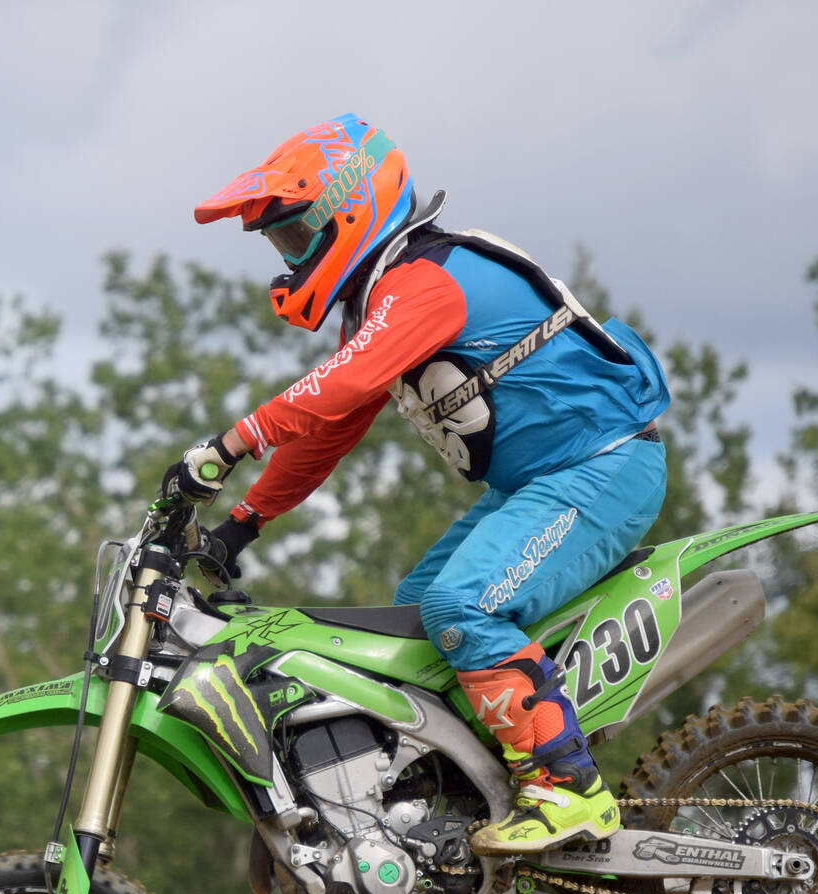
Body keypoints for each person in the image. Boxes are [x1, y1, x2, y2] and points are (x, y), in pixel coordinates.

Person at [159, 115, 670, 855]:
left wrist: (229, 443)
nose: (289, 258)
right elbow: (330, 430)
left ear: (349, 207)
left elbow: (342, 385)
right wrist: (244, 521)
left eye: (297, 236)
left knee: (459, 605)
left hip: (602, 466)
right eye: (280, 244)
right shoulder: (381, 299)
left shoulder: (424, 280)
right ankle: (455, 807)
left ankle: (570, 791)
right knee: (407, 624)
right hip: (536, 485)